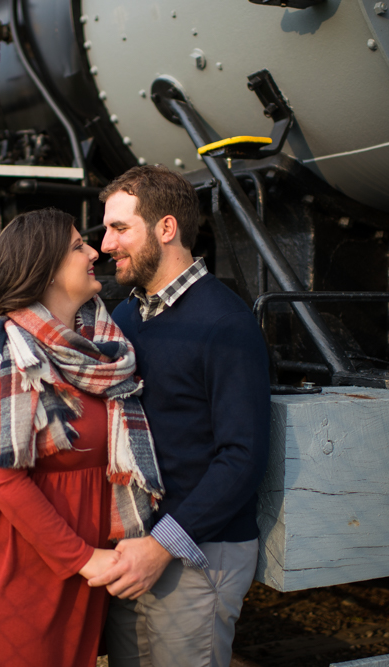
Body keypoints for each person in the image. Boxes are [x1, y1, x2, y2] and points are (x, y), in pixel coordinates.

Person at [0, 208, 164, 667]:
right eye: (79, 246)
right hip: (22, 555)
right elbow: (3, 481)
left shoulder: (100, 351)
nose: (94, 251)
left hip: (82, 555)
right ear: (45, 269)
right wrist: (82, 558)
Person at [91, 166, 271, 667]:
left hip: (197, 553)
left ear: (166, 229)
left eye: (119, 228)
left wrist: (160, 546)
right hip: (134, 551)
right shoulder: (125, 318)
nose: (106, 244)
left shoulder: (225, 322)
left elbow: (243, 456)